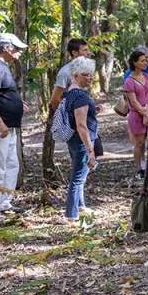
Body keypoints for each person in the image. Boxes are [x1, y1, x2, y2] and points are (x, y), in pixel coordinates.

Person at [0, 34, 28, 220]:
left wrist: (16, 102)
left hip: (9, 127)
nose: (20, 52)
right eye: (17, 48)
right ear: (6, 48)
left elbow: (0, 94)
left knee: (11, 164)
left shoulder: (2, 67)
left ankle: (3, 203)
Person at [63, 57, 99, 224]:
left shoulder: (69, 92)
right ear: (76, 75)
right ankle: (72, 216)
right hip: (82, 142)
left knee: (80, 175)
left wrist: (93, 111)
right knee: (78, 178)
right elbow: (81, 125)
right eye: (86, 74)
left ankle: (80, 206)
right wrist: (90, 150)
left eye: (91, 74)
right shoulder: (80, 96)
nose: (90, 78)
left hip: (73, 140)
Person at [124, 50, 148, 178]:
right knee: (139, 142)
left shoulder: (147, 77)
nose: (145, 62)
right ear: (134, 63)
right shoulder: (129, 81)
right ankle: (139, 168)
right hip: (137, 115)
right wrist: (144, 114)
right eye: (142, 60)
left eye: (146, 60)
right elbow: (133, 101)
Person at [49, 38, 91, 110]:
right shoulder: (65, 72)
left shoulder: (84, 71)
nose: (88, 53)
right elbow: (54, 100)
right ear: (74, 53)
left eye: (88, 50)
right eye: (85, 50)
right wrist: (68, 115)